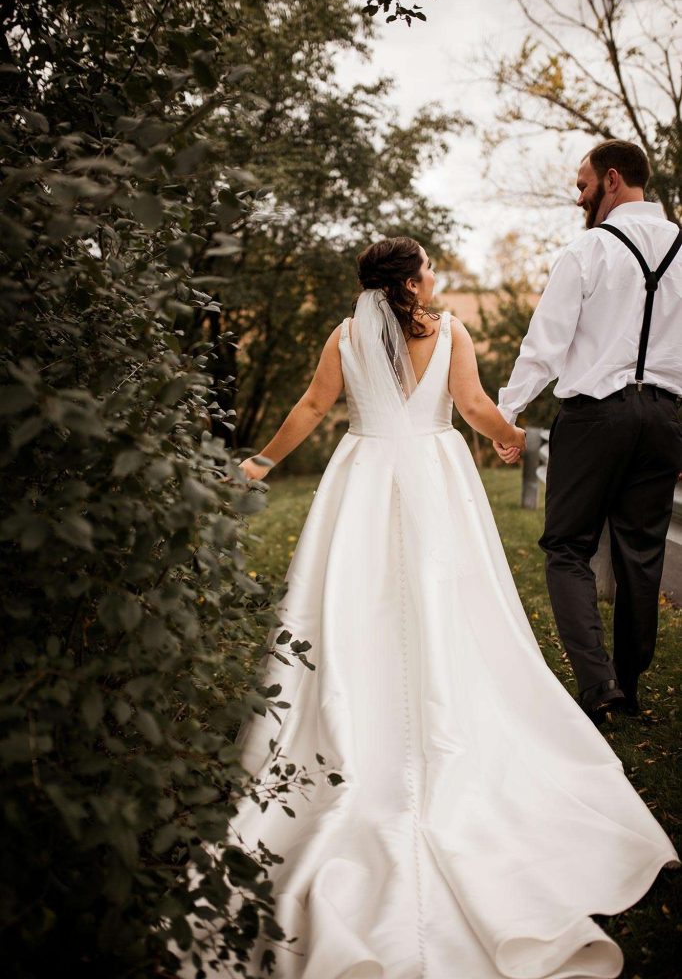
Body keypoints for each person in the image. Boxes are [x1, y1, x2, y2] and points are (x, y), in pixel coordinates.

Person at [213, 237, 677, 979]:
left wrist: (260, 462)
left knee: (355, 594)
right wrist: (510, 439)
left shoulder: (345, 334)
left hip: (362, 476)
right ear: (409, 279)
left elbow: (312, 405)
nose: (435, 275)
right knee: (446, 594)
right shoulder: (450, 330)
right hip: (435, 471)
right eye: (427, 266)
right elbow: (471, 406)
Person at [495, 140, 682, 726]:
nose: (579, 197)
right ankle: (630, 686)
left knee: (567, 547)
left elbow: (544, 345)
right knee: (641, 555)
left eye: (583, 185)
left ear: (613, 179)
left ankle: (600, 686)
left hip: (595, 416)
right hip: (665, 418)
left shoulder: (589, 250)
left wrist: (507, 413)